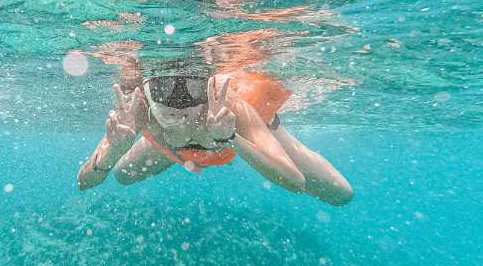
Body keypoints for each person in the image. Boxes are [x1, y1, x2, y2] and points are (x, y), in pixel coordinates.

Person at [77, 72, 353, 204]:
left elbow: (295, 181)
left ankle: (266, 128)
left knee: (340, 194)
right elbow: (84, 182)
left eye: (193, 88)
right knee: (123, 175)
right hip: (171, 150)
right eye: (163, 88)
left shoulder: (227, 107)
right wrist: (113, 151)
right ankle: (188, 159)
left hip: (233, 143)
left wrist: (232, 138)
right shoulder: (136, 111)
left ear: (207, 84)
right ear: (146, 92)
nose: (179, 103)